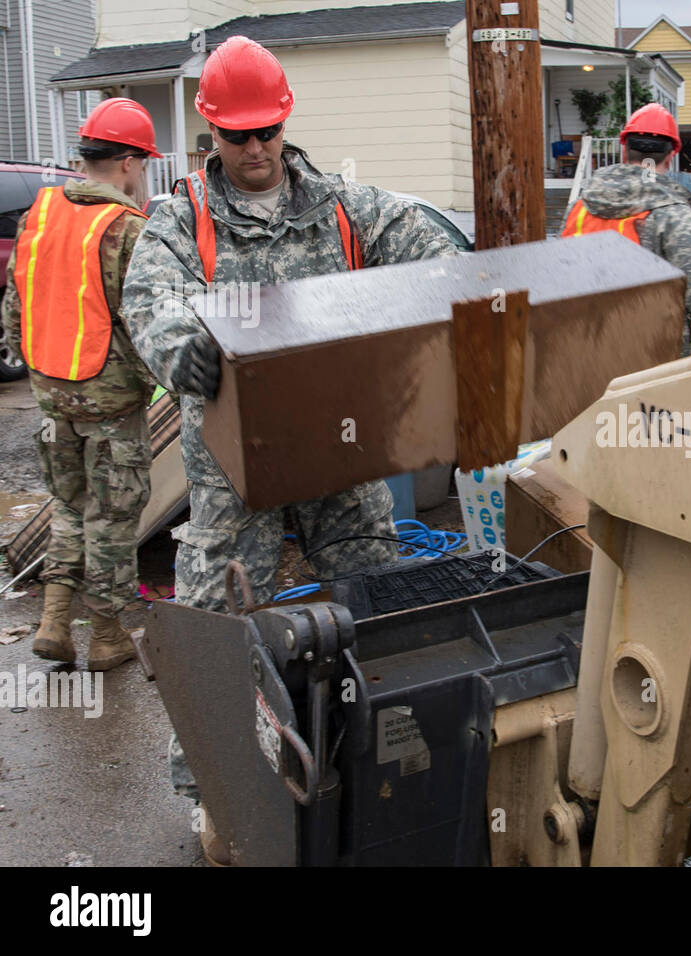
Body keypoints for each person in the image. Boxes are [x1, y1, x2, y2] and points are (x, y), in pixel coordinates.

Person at [119, 36, 456, 842]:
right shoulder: (183, 221)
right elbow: (151, 301)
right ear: (211, 134)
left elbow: (435, 255)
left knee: (375, 599)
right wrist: (184, 344)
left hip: (338, 452)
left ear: (285, 120)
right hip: (235, 468)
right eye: (239, 137)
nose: (257, 149)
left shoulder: (344, 207)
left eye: (267, 131)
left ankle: (381, 758)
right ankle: (216, 797)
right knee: (214, 628)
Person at [1, 98, 160, 670]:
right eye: (142, 163)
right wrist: (159, 385)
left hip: (51, 399)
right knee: (112, 519)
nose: (141, 176)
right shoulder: (127, 228)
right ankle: (109, 635)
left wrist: (45, 375)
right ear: (127, 161)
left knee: (69, 509)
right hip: (112, 405)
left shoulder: (37, 217)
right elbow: (147, 327)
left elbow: (13, 314)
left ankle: (53, 619)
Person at [560, 103, 691, 355]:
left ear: (624, 150)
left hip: (579, 354)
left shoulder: (578, 207)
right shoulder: (672, 215)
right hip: (645, 363)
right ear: (671, 156)